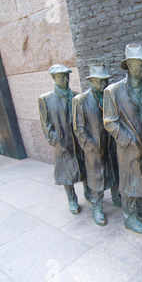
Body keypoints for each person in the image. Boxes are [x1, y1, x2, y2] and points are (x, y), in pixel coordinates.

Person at [103, 44, 142, 233]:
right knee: (130, 181)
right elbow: (109, 122)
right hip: (128, 147)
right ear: (129, 64)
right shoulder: (113, 91)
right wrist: (128, 141)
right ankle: (129, 217)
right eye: (141, 65)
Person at [38, 64, 91, 215]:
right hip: (62, 142)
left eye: (67, 76)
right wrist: (55, 140)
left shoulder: (76, 95)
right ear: (53, 78)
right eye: (61, 76)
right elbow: (45, 124)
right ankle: (72, 199)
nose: (65, 79)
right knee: (66, 173)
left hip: (78, 140)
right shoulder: (46, 99)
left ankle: (88, 193)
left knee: (84, 167)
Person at [72, 64, 121, 226]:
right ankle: (97, 207)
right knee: (96, 178)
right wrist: (90, 146)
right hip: (94, 147)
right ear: (91, 80)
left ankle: (116, 198)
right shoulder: (81, 100)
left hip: (110, 144)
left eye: (105, 80)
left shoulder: (109, 96)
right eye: (99, 81)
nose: (103, 84)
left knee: (114, 172)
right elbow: (78, 128)